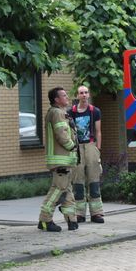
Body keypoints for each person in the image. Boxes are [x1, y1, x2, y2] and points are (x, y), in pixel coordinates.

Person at [37, 87, 79, 232]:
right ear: (56, 99)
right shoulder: (57, 113)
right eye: (64, 95)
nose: (67, 97)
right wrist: (72, 146)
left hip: (64, 161)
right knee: (58, 189)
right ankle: (44, 220)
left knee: (66, 190)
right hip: (61, 161)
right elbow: (62, 135)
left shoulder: (59, 112)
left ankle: (71, 220)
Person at [70, 85, 104, 224]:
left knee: (93, 179)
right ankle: (79, 214)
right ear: (77, 96)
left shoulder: (95, 111)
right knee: (78, 180)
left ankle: (97, 213)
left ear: (88, 95)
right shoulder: (70, 112)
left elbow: (98, 131)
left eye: (86, 93)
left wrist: (98, 149)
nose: (84, 95)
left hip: (90, 146)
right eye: (81, 93)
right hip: (77, 147)